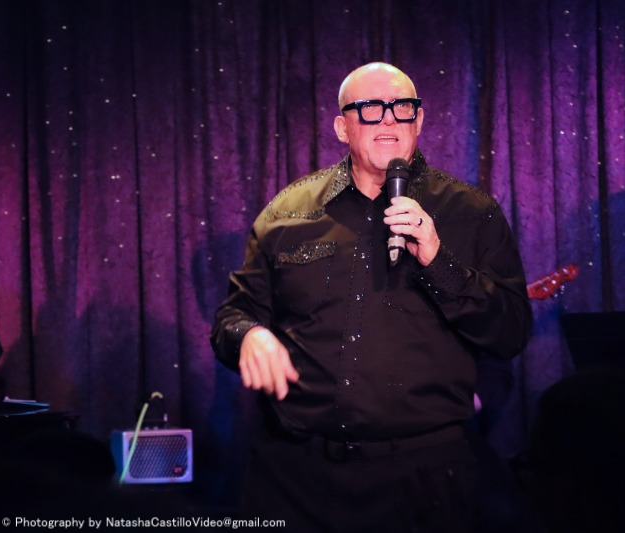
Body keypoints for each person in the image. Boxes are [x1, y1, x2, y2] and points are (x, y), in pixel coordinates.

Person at [211, 62, 532, 531]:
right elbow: (232, 316)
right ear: (342, 127)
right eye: (370, 107)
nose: (388, 119)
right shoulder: (288, 212)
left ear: (418, 121)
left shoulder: (471, 213)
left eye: (402, 107)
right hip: (296, 478)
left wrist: (438, 260)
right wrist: (250, 335)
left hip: (424, 479)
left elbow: (511, 331)